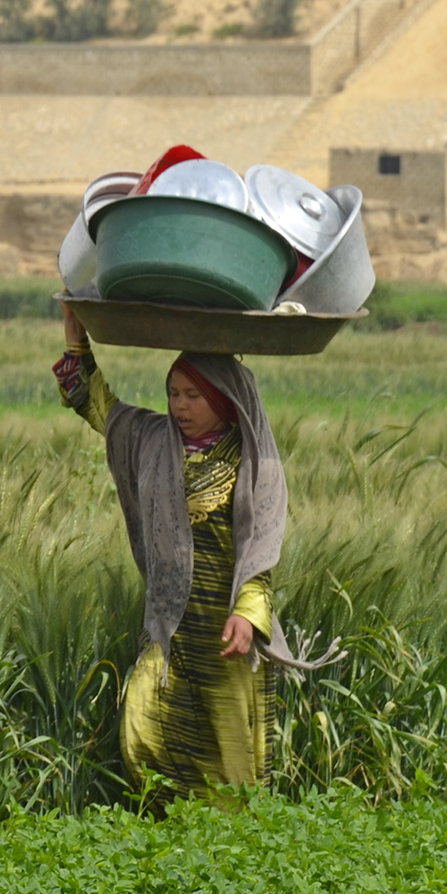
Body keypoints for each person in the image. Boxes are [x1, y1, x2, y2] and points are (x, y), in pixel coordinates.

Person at [54, 304, 332, 798]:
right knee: (143, 730)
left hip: (225, 630)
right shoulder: (154, 440)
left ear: (224, 400)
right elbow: (100, 408)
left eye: (193, 396)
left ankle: (231, 850)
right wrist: (78, 343)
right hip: (169, 627)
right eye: (173, 394)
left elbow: (260, 551)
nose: (179, 406)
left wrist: (248, 616)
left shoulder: (251, 461)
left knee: (228, 757)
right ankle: (168, 830)